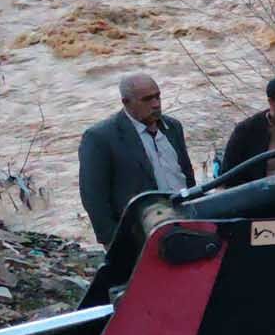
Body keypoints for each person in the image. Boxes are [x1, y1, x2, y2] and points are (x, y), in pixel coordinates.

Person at [77, 74, 197, 248]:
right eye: (147, 99)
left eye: (157, 97)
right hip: (139, 233)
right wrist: (112, 240)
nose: (156, 104)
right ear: (126, 102)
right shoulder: (101, 137)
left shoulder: (173, 127)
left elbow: (186, 173)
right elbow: (93, 195)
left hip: (186, 220)